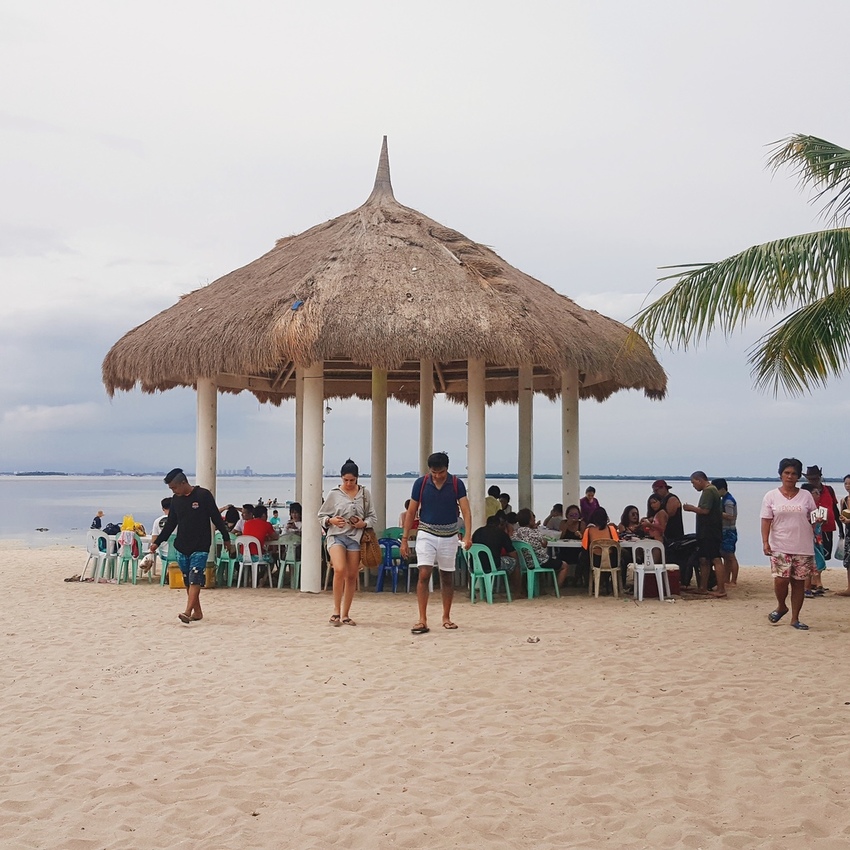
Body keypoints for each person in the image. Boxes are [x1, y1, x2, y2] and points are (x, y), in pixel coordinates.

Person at [149, 468, 233, 625]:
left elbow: (216, 517)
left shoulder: (203, 495)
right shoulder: (175, 500)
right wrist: (157, 542)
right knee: (188, 581)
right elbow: (170, 524)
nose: (173, 491)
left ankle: (187, 612)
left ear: (183, 483)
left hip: (200, 545)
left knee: (195, 578)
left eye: (174, 487)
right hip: (181, 546)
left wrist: (226, 538)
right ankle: (198, 612)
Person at [400, 452, 472, 634]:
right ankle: (422, 618)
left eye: (441, 472)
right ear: (429, 470)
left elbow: (466, 511)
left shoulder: (456, 484)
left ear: (447, 469)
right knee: (424, 573)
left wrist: (468, 535)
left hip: (450, 535)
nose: (438, 476)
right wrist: (405, 538)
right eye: (434, 472)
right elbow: (411, 512)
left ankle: (446, 616)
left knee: (447, 577)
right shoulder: (421, 483)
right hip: (426, 533)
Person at [761, 457, 818, 630]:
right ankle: (781, 606)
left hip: (803, 545)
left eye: (794, 473)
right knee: (780, 580)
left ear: (799, 476)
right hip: (780, 545)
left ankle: (795, 618)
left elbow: (814, 518)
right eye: (786, 473)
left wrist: (819, 519)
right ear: (780, 475)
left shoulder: (806, 496)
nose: (790, 476)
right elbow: (766, 520)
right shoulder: (771, 496)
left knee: (799, 582)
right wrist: (765, 542)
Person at [318, 459, 377, 627]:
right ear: (341, 478)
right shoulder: (334, 493)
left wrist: (363, 523)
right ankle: (336, 611)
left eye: (352, 480)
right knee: (339, 569)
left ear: (357, 478)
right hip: (336, 536)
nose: (349, 483)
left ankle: (345, 614)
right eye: (346, 480)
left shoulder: (365, 494)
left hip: (356, 538)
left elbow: (373, 517)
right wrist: (331, 520)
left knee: (352, 575)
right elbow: (321, 515)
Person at [683, 471, 726, 597]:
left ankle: (721, 589)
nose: (693, 486)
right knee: (703, 559)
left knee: (715, 558)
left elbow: (705, 510)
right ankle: (703, 587)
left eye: (693, 483)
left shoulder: (708, 491)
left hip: (710, 532)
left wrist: (691, 508)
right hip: (705, 532)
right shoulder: (711, 491)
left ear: (700, 480)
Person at [513, 508, 567, 588]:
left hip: (524, 563)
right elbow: (544, 544)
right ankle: (557, 588)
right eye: (533, 517)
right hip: (540, 561)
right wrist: (536, 529)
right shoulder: (534, 533)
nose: (534, 519)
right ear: (529, 520)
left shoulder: (516, 532)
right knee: (564, 566)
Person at [471, 513, 521, 594]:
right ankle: (517, 591)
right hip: (493, 565)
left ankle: (471, 592)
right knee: (515, 562)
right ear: (499, 524)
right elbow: (512, 553)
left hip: (475, 565)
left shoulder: (477, 532)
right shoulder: (501, 533)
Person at [802, 465, 840, 561]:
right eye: (810, 479)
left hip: (827, 529)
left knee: (824, 556)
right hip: (810, 530)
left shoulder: (829, 490)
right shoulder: (804, 491)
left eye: (815, 478)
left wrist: (841, 529)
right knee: (809, 555)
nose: (813, 481)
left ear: (820, 477)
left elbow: (835, 509)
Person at [578, 507, 619, 588]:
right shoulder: (611, 529)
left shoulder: (588, 531)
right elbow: (616, 544)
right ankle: (611, 584)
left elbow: (585, 547)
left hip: (595, 562)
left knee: (582, 557)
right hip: (610, 561)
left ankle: (588, 583)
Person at [712, 478, 740, 587]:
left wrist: (717, 512)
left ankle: (733, 580)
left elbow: (730, 516)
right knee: (725, 556)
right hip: (724, 529)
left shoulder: (728, 501)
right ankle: (726, 578)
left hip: (728, 530)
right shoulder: (724, 499)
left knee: (730, 556)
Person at [837, 475, 850, 596]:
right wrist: (842, 520)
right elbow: (842, 515)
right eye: (846, 484)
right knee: (848, 561)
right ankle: (849, 588)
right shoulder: (844, 500)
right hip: (848, 533)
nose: (848, 486)